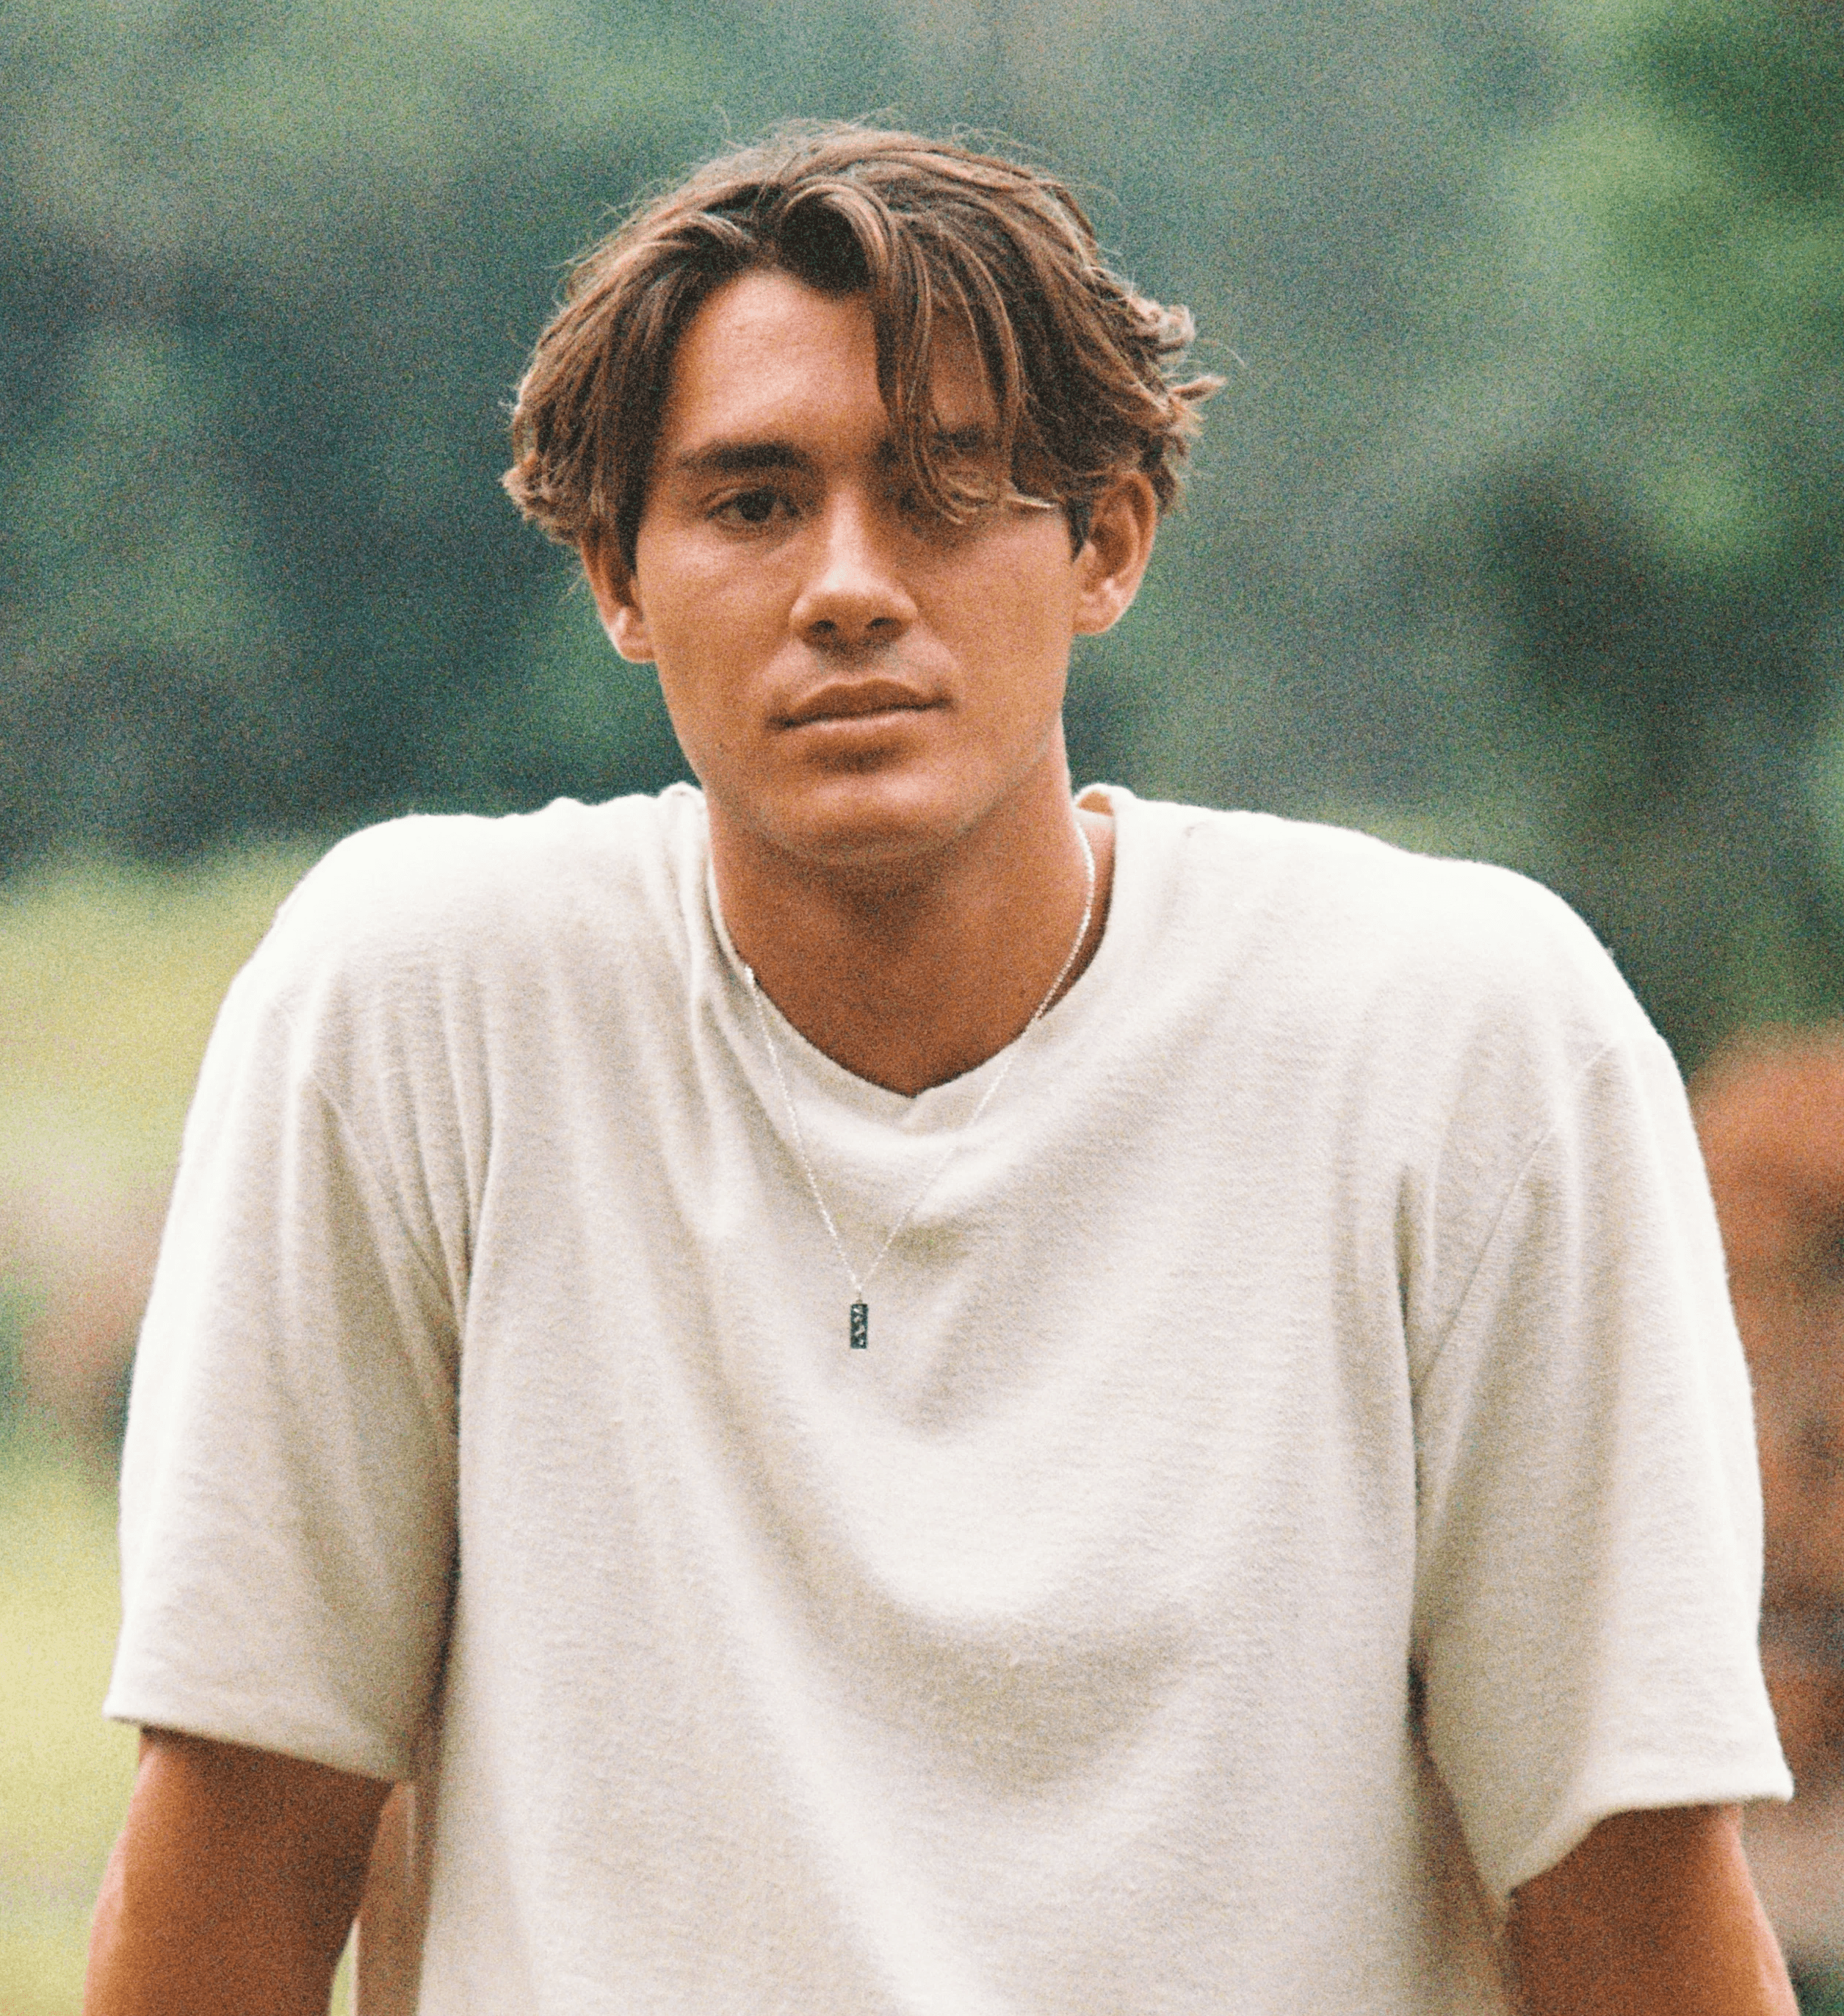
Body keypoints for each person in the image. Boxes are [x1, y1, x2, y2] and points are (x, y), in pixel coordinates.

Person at [84, 123, 1796, 2015]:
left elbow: (1629, 1885)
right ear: (615, 574)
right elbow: (238, 1844)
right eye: (749, 502)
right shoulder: (421, 1010)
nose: (846, 585)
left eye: (945, 491)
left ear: (1106, 543)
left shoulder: (1461, 1042)